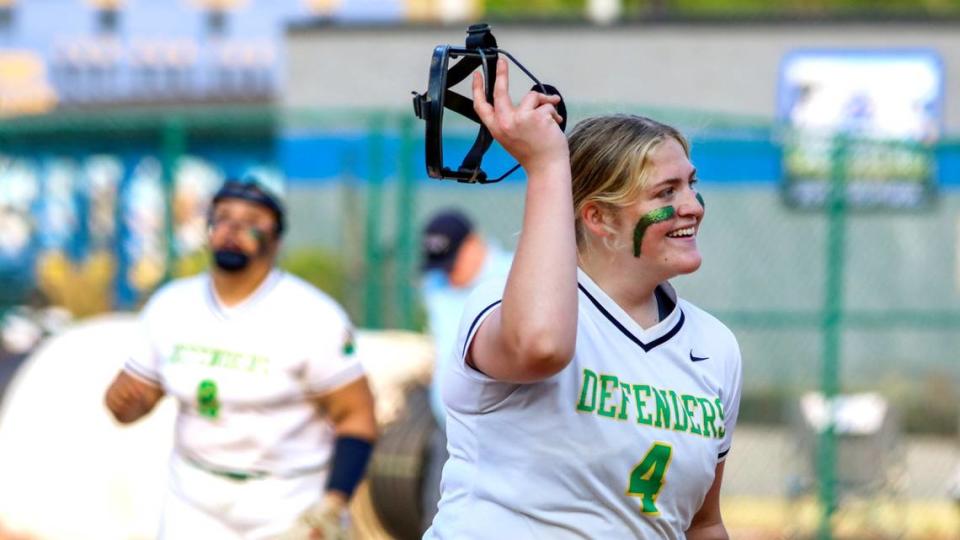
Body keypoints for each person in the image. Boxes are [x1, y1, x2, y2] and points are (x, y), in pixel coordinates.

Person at [423, 58, 742, 539]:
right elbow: (540, 346)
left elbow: (703, 522)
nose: (692, 206)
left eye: (691, 185)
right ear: (597, 217)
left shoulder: (714, 347)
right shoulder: (506, 304)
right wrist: (547, 165)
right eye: (666, 191)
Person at [104, 173, 377, 540]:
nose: (232, 229)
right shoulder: (170, 305)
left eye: (251, 222)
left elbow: (356, 419)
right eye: (223, 217)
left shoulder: (313, 316)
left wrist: (333, 504)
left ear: (276, 239)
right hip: (193, 497)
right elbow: (135, 404)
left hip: (286, 501)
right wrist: (120, 402)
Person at [418, 209, 512, 531]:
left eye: (453, 261)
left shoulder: (513, 277)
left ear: (474, 245)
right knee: (436, 519)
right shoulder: (435, 284)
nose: (449, 272)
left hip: (500, 435)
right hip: (447, 428)